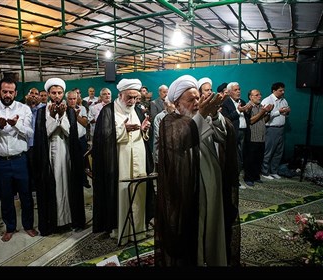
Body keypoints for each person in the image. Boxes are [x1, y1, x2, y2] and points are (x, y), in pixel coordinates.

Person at [154, 75, 240, 267]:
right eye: (190, 99)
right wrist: (202, 114)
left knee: (214, 228)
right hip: (189, 188)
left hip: (213, 183)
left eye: (197, 98)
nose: (195, 103)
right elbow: (181, 141)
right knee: (195, 230)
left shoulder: (204, 116)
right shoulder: (169, 121)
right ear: (177, 103)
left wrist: (215, 115)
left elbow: (223, 135)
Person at [92, 78, 153, 245]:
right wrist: (122, 130)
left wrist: (144, 130)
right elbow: (102, 139)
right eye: (129, 97)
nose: (132, 101)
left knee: (139, 192)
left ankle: (139, 230)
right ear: (120, 95)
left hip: (139, 158)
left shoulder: (139, 110)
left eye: (135, 97)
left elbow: (144, 136)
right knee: (122, 193)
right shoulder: (108, 111)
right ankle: (121, 230)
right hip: (119, 161)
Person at [0, 77, 38, 242]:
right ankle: (10, 227)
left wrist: (15, 125)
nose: (7, 94)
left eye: (10, 92)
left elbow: (29, 132)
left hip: (20, 159)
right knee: (6, 197)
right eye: (4, 91)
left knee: (26, 196)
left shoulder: (24, 109)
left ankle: (28, 225)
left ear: (15, 93)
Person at [32, 78, 86, 235]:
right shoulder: (42, 112)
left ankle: (71, 219)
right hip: (49, 155)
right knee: (52, 186)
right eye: (53, 93)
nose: (56, 96)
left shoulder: (69, 110)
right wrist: (54, 118)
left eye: (59, 93)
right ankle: (52, 222)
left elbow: (71, 134)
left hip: (66, 153)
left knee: (68, 186)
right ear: (48, 94)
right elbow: (43, 134)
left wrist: (61, 117)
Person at [243, 89, 273, 186]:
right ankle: (248, 178)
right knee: (250, 159)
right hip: (252, 137)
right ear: (250, 97)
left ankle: (256, 176)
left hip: (261, 137)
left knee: (258, 158)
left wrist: (268, 112)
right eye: (256, 95)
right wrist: (262, 112)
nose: (259, 97)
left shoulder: (261, 107)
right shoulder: (248, 107)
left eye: (260, 95)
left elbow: (264, 120)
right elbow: (250, 121)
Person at [261, 82, 291, 180]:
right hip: (271, 129)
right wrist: (279, 112)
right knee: (268, 151)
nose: (282, 92)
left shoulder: (284, 100)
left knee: (278, 152)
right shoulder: (267, 100)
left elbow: (285, 113)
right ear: (274, 91)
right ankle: (265, 172)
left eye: (283, 90)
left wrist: (287, 112)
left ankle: (274, 171)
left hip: (281, 129)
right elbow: (264, 115)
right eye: (280, 90)